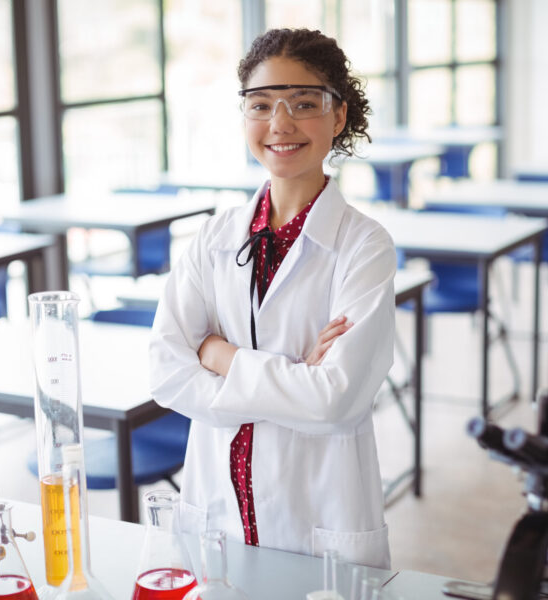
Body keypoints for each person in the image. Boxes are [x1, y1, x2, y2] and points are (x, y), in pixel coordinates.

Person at [149, 27, 396, 569]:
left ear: (338, 116)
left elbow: (336, 399)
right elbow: (167, 371)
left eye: (303, 103)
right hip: (217, 505)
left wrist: (221, 357)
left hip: (318, 517)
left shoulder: (364, 246)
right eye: (260, 105)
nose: (280, 123)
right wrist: (294, 377)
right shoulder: (215, 238)